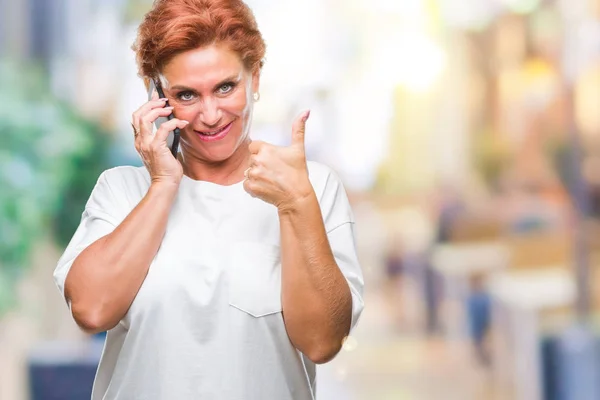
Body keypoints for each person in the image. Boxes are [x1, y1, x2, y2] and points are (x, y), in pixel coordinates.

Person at [52, 1, 364, 399]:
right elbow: (92, 311)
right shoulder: (121, 191)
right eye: (186, 95)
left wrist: (296, 205)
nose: (211, 114)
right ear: (156, 94)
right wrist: (164, 183)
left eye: (226, 86)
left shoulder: (311, 188)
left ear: (255, 78)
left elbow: (322, 342)